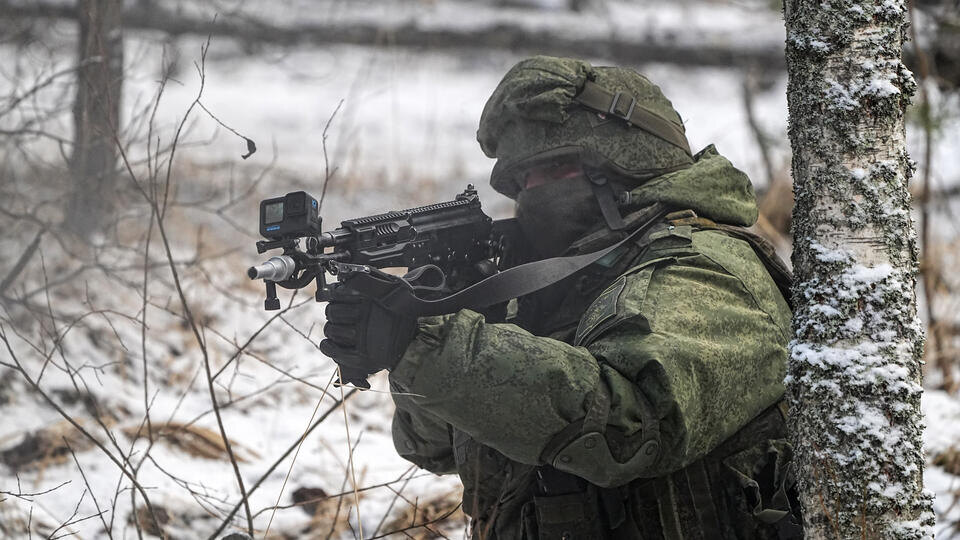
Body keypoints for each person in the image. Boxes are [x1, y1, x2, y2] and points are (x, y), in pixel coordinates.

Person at [320, 56, 802, 539]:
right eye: (522, 181)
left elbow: (629, 427)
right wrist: (428, 327)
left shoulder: (702, 267)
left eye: (554, 169)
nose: (532, 195)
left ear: (625, 165)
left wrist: (426, 344)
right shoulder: (557, 282)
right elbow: (433, 447)